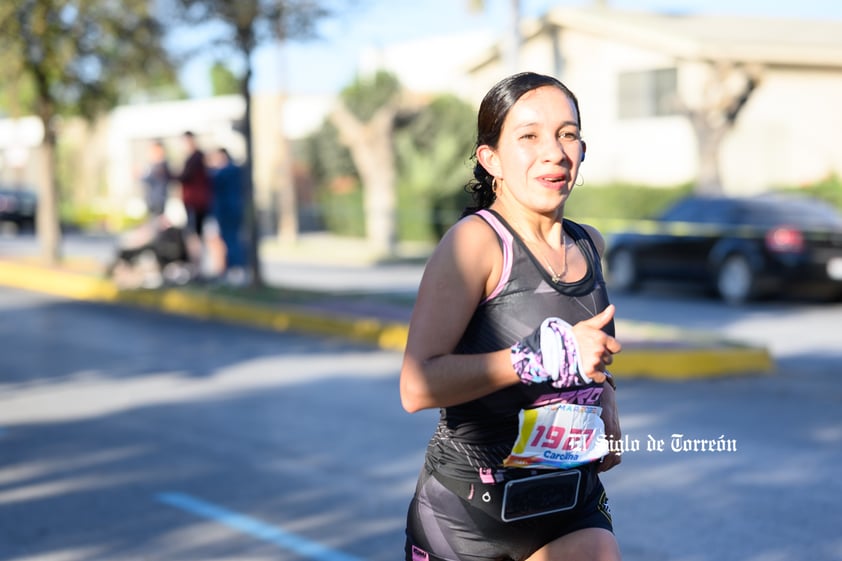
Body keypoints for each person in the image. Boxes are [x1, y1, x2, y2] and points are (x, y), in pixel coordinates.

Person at [399, 72, 624, 561]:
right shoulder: (475, 244)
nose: (554, 151)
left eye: (568, 134)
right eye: (529, 136)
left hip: (568, 499)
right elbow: (416, 387)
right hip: (467, 520)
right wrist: (535, 359)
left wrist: (604, 397)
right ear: (492, 159)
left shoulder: (590, 244)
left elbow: (584, 357)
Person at [209, 147, 246, 284]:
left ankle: (235, 268)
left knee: (231, 240)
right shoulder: (235, 170)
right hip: (234, 209)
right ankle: (236, 268)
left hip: (227, 211)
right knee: (233, 239)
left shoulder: (224, 172)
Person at [176, 131, 212, 274]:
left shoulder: (196, 158)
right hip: (194, 201)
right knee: (194, 234)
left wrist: (168, 173)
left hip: (196, 202)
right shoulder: (195, 158)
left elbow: (185, 176)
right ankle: (197, 266)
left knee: (195, 235)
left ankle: (198, 267)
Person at [141, 139, 172, 219]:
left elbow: (150, 178)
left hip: (159, 199)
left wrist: (140, 175)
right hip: (152, 199)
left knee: (157, 221)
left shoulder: (162, 164)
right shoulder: (153, 164)